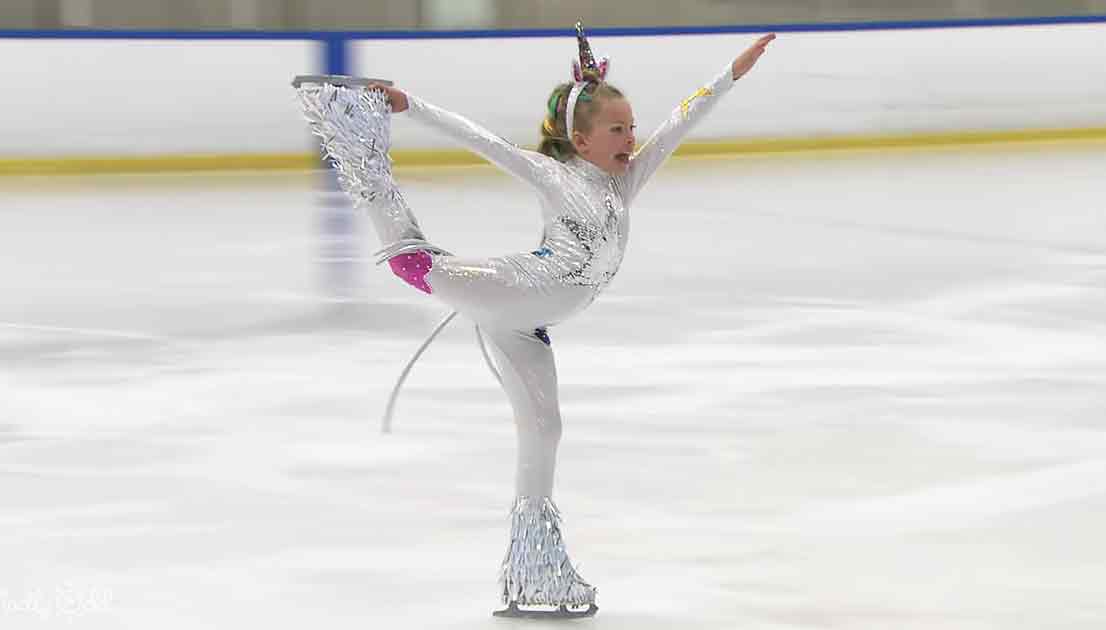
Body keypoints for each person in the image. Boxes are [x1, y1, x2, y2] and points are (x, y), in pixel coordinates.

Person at [295, 25, 776, 618]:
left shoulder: (625, 181)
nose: (632, 138)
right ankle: (352, 134)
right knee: (414, 265)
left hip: (527, 325)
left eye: (631, 127)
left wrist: (733, 72)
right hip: (513, 287)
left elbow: (682, 120)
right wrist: (408, 104)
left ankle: (534, 571)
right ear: (581, 139)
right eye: (617, 129)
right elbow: (482, 140)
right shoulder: (555, 176)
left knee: (545, 429)